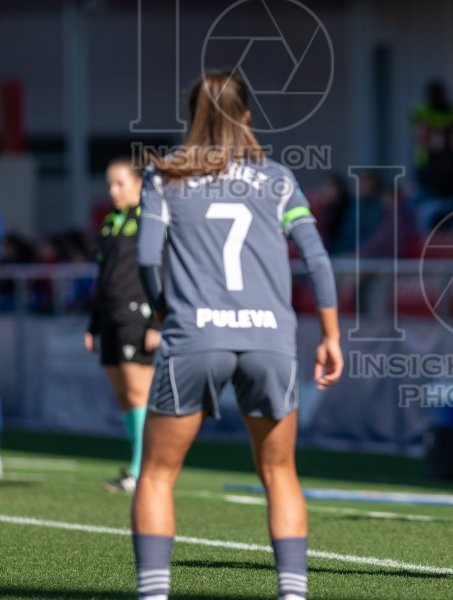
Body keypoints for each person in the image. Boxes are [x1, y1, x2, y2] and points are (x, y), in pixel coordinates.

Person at [132, 71, 343, 600]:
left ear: (191, 119)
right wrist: (331, 334)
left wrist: (163, 311)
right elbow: (316, 258)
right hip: (270, 338)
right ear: (247, 117)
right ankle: (292, 595)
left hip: (194, 336)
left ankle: (153, 594)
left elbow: (144, 257)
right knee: (280, 472)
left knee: (157, 473)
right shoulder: (277, 179)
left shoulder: (164, 178)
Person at [85, 158, 161, 493]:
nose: (113, 191)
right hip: (110, 317)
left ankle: (141, 469)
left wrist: (158, 320)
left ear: (138, 184)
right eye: (109, 184)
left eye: (120, 183)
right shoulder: (109, 224)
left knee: (137, 393)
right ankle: (137, 465)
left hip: (138, 315)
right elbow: (102, 279)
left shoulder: (150, 220)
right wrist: (93, 325)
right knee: (122, 396)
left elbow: (162, 270)